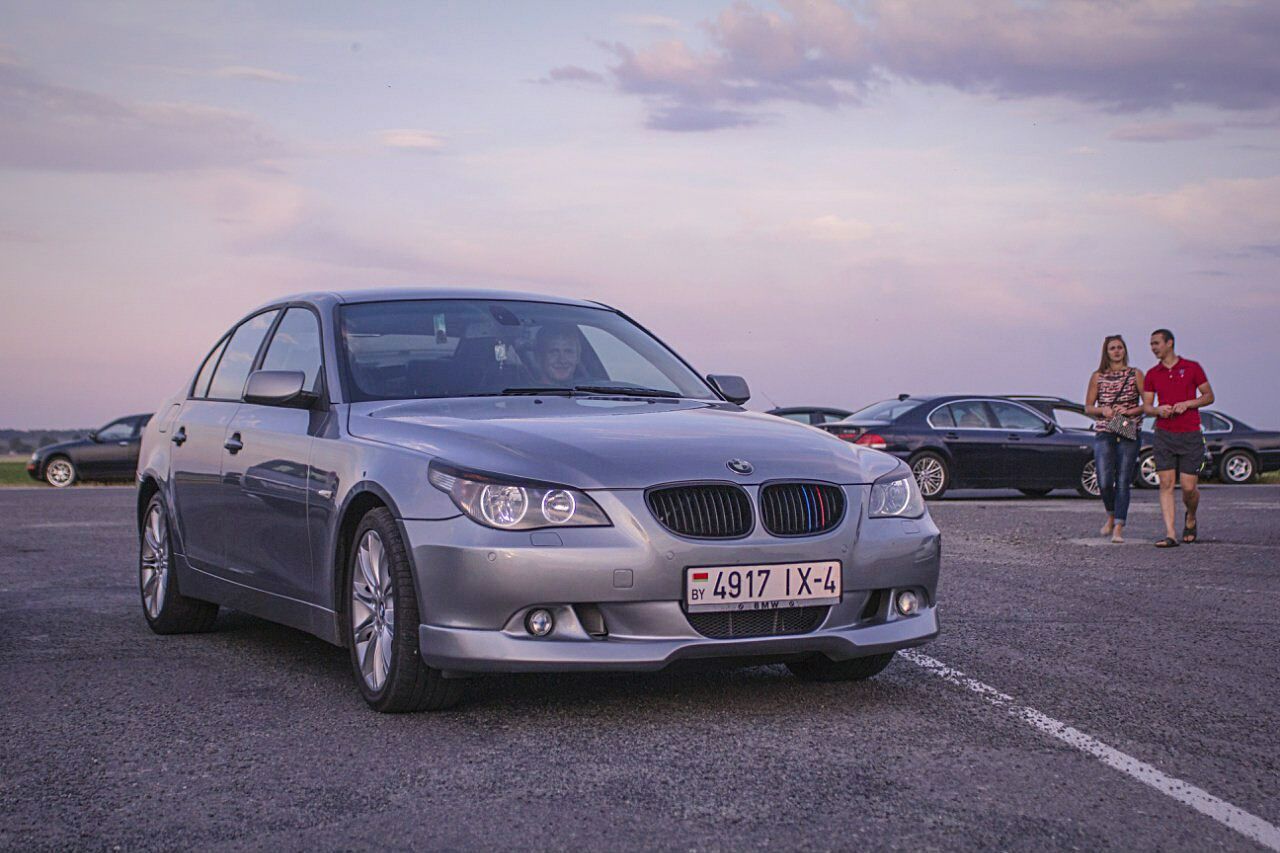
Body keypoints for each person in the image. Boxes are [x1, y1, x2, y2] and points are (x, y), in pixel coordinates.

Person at [1143, 329, 1214, 547]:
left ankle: (1190, 516)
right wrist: (1158, 410)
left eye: (1156, 343)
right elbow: (1146, 406)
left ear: (1169, 343)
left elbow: (1209, 396)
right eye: (1151, 344)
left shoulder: (1192, 367)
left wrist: (1188, 403)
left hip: (1190, 434)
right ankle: (1171, 533)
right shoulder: (1152, 374)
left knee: (1188, 488)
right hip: (1164, 434)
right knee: (1165, 483)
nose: (1153, 347)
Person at [1084, 335, 1144, 543]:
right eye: (1112, 348)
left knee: (1123, 479)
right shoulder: (1097, 376)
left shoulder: (1135, 374)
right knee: (1104, 479)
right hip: (1105, 428)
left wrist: (1128, 411)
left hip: (1128, 428)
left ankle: (1119, 525)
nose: (1117, 351)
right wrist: (1104, 410)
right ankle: (1110, 514)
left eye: (1120, 347)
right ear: (1106, 352)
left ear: (1125, 350)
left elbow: (1148, 404)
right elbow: (1088, 407)